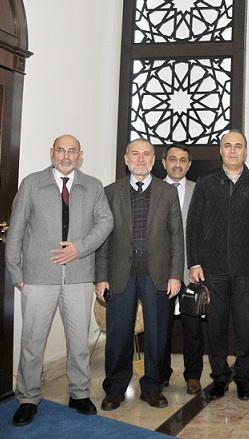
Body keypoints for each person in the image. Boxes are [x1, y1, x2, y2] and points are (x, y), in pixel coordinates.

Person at [6, 135, 113, 426]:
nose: (66, 156)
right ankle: (28, 398)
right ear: (52, 153)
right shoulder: (32, 183)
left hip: (78, 276)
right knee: (32, 343)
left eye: (72, 151)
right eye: (61, 150)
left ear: (80, 155)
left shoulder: (93, 186)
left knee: (78, 342)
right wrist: (16, 272)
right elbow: (16, 229)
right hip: (38, 276)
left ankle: (79, 394)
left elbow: (106, 222)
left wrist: (81, 247)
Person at [96, 138, 184, 411]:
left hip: (157, 275)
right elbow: (103, 238)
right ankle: (115, 389)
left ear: (154, 160)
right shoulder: (110, 192)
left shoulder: (167, 192)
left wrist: (175, 275)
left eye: (147, 154)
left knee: (157, 335)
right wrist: (101, 277)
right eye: (135, 154)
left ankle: (152, 387)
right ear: (126, 159)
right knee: (118, 335)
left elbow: (176, 237)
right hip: (119, 275)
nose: (141, 159)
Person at [187, 130, 249, 401]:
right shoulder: (206, 182)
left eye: (238, 146)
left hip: (247, 269)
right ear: (220, 150)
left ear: (246, 151)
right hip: (213, 268)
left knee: (245, 328)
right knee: (216, 328)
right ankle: (220, 377)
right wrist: (194, 262)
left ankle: (243, 378)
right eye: (228, 146)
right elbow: (193, 224)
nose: (233, 151)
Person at [159, 144, 204, 395]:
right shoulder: (153, 190)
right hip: (161, 271)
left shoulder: (199, 191)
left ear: (189, 165)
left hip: (191, 270)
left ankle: (193, 375)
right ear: (164, 162)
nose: (177, 164)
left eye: (183, 160)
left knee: (193, 328)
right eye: (173, 159)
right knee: (160, 327)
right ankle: (161, 374)